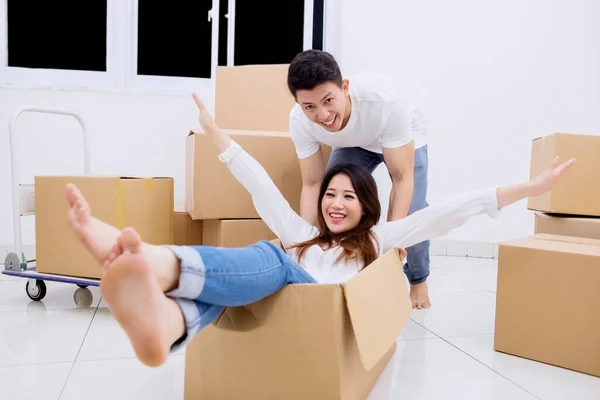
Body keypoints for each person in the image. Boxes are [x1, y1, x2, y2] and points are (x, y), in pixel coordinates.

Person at [63, 93, 574, 368]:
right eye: (331, 193)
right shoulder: (302, 231)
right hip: (280, 295)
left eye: (349, 196)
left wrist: (528, 189)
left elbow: (449, 212)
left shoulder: (380, 240)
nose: (334, 203)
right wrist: (214, 131)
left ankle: (156, 264)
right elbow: (257, 182)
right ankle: (168, 326)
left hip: (324, 309)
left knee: (273, 255)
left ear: (366, 207)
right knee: (244, 278)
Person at [287, 49, 432, 309]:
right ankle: (346, 270)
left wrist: (393, 240)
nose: (322, 115)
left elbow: (401, 178)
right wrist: (306, 242)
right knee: (335, 203)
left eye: (328, 100)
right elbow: (312, 184)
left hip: (401, 134)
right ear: (299, 104)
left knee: (413, 212)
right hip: (354, 141)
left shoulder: (386, 104)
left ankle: (418, 278)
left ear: (344, 88)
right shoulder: (300, 121)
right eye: (310, 106)